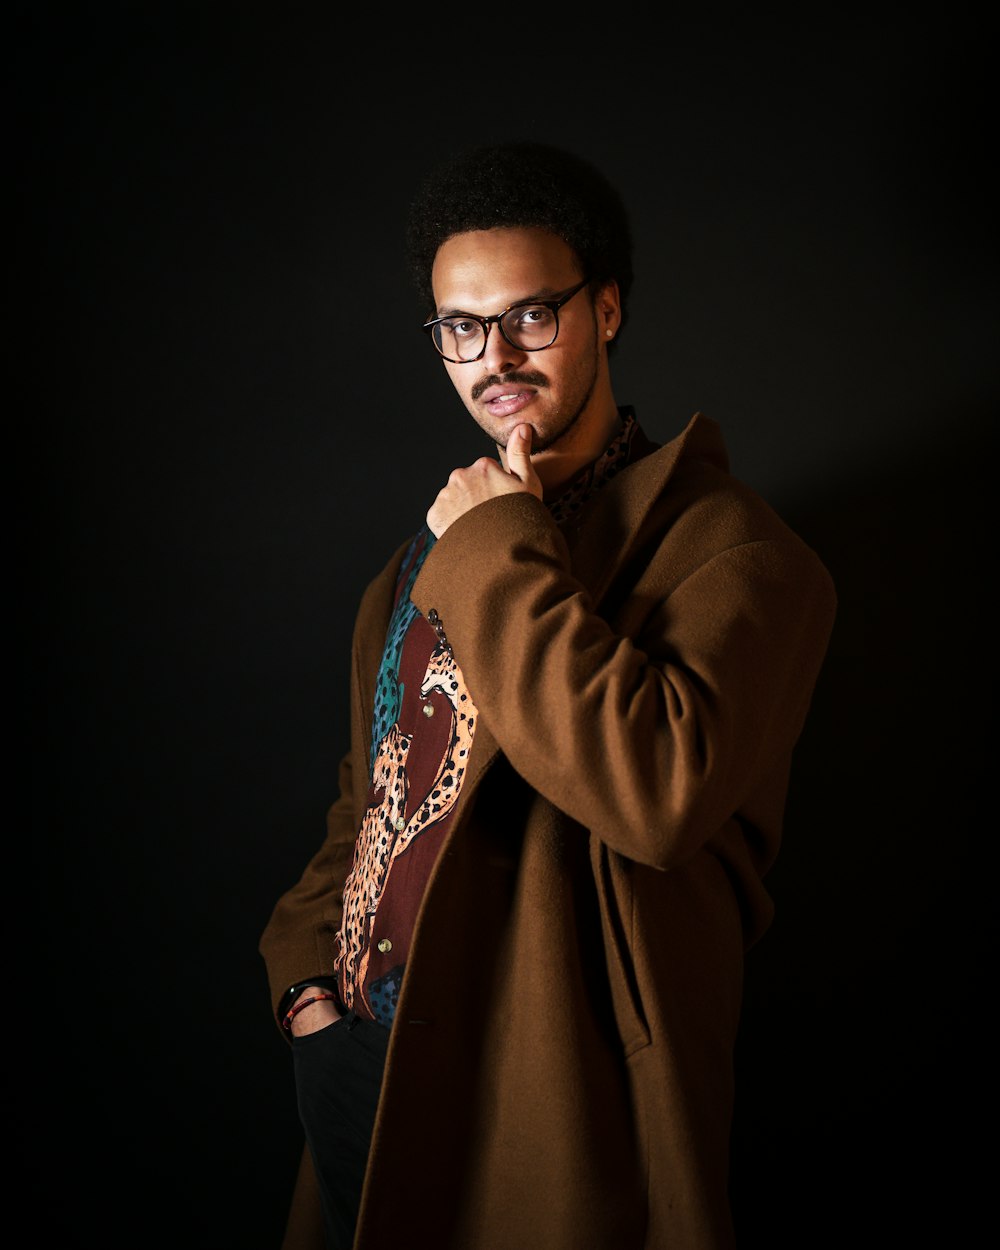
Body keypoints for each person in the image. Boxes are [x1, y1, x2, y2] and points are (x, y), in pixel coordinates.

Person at [259, 139, 837, 1250]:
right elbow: (367, 798)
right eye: (459, 329)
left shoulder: (735, 552)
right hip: (363, 1065)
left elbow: (654, 793)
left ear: (606, 308)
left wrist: (494, 543)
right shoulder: (409, 570)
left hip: (550, 1089)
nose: (493, 358)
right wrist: (303, 994)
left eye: (532, 316)